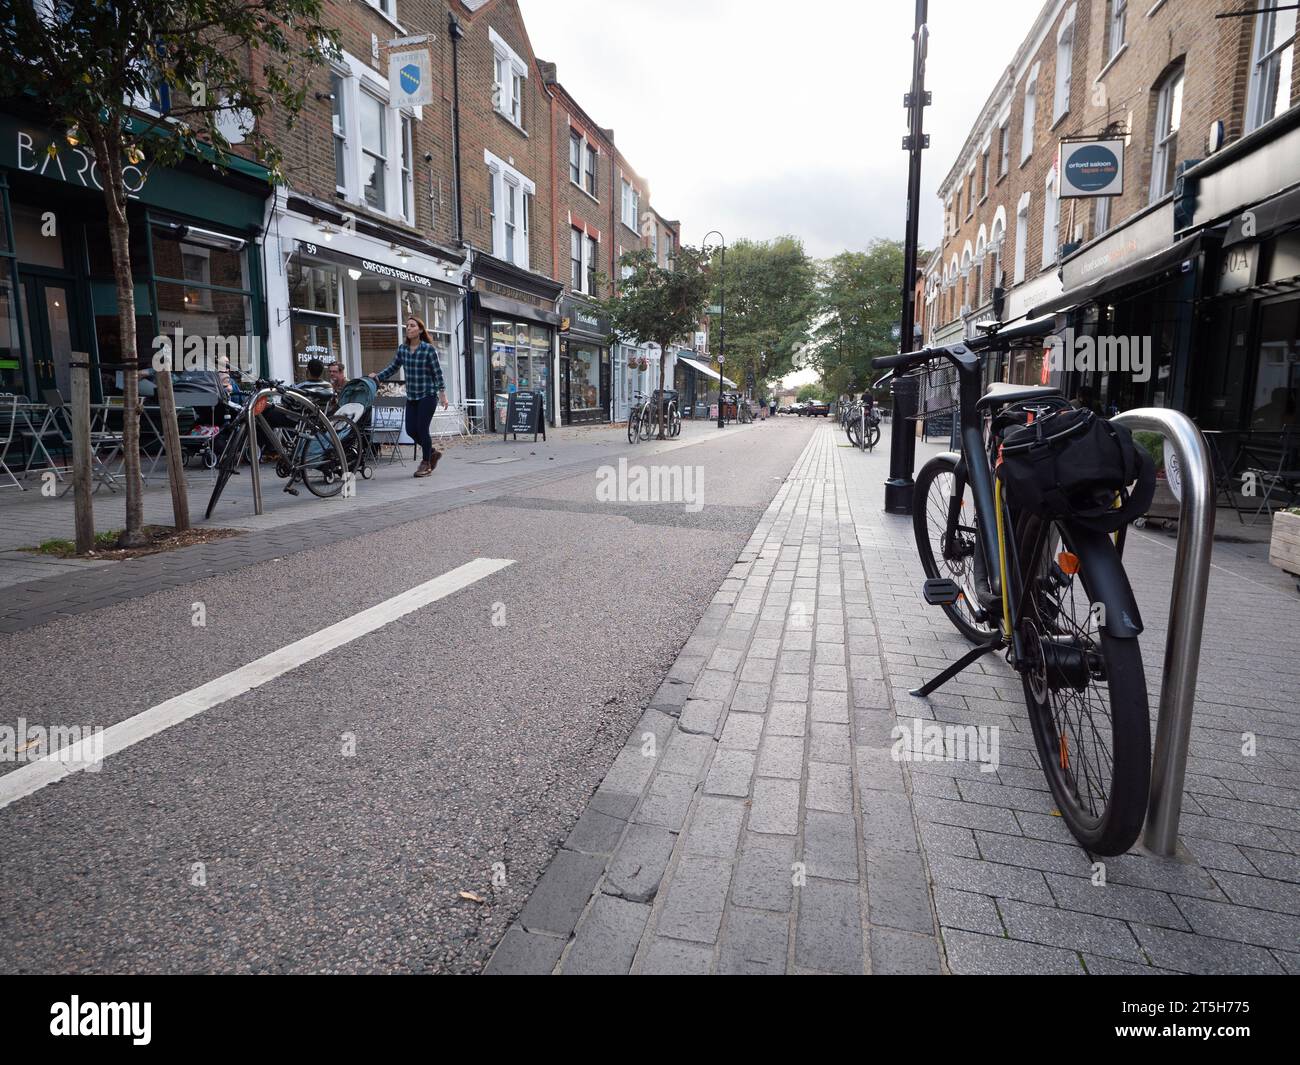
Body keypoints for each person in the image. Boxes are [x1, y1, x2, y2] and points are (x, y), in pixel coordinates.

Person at [370, 316, 448, 478]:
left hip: (427, 395)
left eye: (412, 326)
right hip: (412, 396)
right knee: (411, 430)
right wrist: (378, 376)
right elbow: (393, 367)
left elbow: (437, 373)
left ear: (420, 330)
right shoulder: (403, 349)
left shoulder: (428, 349)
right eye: (407, 326)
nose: (409, 328)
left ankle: (426, 463)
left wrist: (442, 394)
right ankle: (432, 452)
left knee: (422, 428)